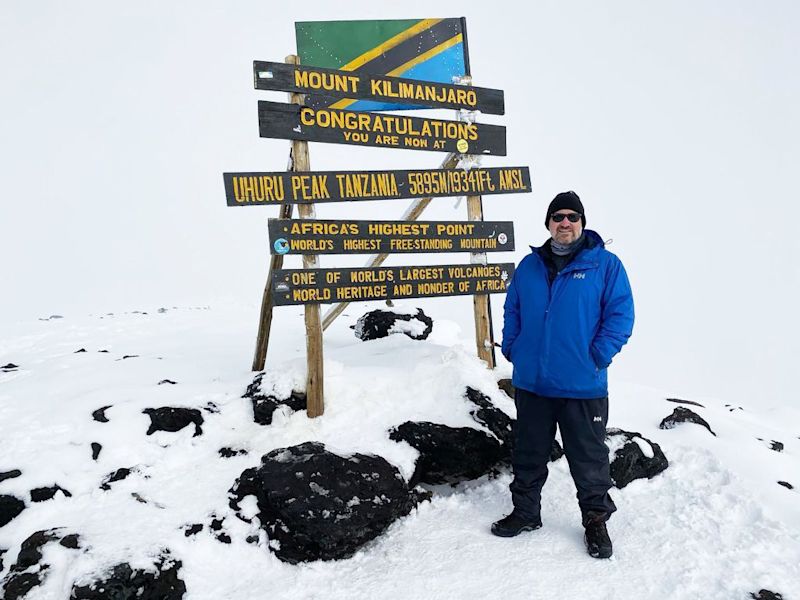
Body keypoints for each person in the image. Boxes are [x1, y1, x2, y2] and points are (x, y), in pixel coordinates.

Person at [492, 191, 634, 559]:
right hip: (533, 383)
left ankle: (595, 522)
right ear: (549, 224)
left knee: (588, 458)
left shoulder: (605, 265)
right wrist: (513, 347)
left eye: (572, 216)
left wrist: (597, 355)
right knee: (528, 453)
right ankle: (525, 513)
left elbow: (621, 316)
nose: (565, 222)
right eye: (558, 217)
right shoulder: (529, 266)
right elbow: (513, 309)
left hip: (582, 385)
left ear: (582, 223)